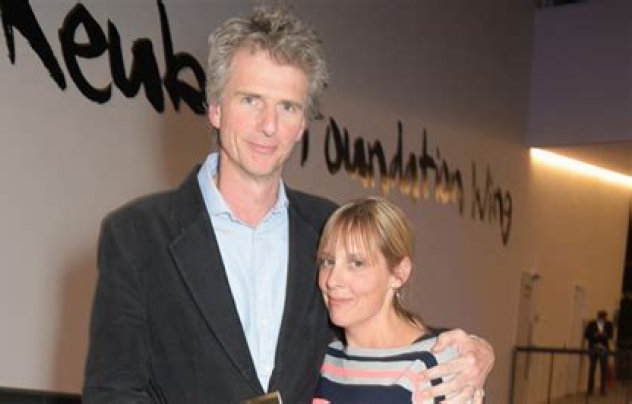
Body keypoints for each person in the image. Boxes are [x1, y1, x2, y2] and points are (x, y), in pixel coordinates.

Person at [83, 4, 494, 403]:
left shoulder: (328, 227)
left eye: (287, 107)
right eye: (251, 100)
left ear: (301, 126)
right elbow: (112, 392)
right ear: (215, 110)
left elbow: (379, 326)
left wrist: (471, 350)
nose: (269, 125)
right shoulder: (137, 235)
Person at [313, 197, 483, 403]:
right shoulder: (327, 359)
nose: (332, 280)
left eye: (357, 263)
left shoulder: (435, 365)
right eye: (328, 261)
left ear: (399, 273)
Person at [584, 310, 614, 395]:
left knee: (603, 369)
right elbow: (587, 334)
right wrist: (595, 335)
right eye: (601, 317)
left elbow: (611, 335)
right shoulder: (592, 324)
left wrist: (605, 335)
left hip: (603, 348)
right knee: (592, 368)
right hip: (593, 347)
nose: (602, 319)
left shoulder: (608, 325)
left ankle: (603, 389)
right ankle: (590, 389)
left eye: (603, 318)